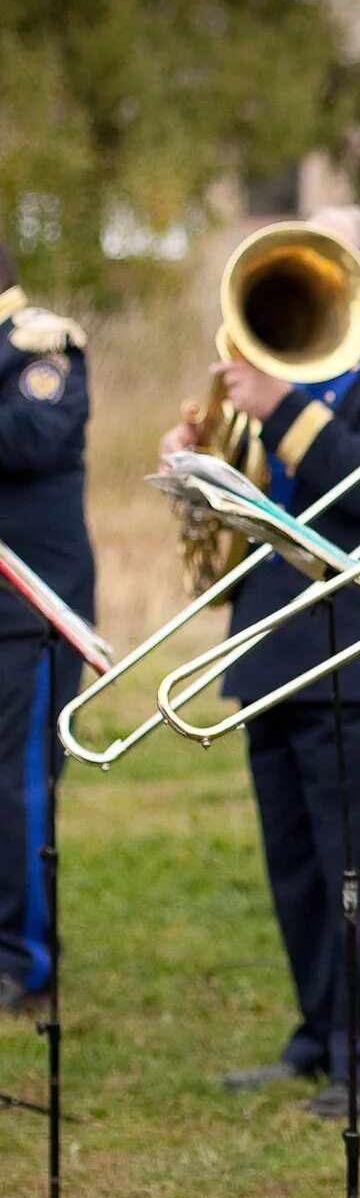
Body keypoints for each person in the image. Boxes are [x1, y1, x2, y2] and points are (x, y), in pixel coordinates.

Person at [158, 205, 360, 1118]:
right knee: (300, 864)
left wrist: (280, 410)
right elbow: (257, 522)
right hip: (276, 649)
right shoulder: (291, 376)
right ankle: (321, 1029)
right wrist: (199, 465)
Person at [0, 240, 93, 1013]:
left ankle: (25, 959)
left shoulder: (41, 344)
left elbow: (28, 440)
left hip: (29, 610)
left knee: (17, 785)